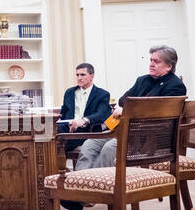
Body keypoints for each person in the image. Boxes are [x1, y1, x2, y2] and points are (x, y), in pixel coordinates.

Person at [75, 45, 187, 177]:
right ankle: (81, 185)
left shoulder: (175, 86)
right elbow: (123, 100)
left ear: (169, 66)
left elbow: (158, 113)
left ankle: (93, 188)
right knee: (89, 145)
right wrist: (130, 107)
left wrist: (129, 110)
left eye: (156, 61)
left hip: (149, 138)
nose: (151, 64)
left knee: (110, 148)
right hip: (123, 131)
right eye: (151, 60)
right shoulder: (142, 80)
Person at [58, 63, 111, 210]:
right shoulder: (69, 92)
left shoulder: (102, 94)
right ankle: (66, 184)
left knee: (56, 147)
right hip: (67, 129)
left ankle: (69, 190)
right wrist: (65, 122)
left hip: (87, 131)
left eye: (83, 75)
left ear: (92, 76)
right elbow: (64, 112)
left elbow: (102, 114)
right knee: (49, 145)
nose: (79, 78)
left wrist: (84, 120)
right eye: (77, 75)